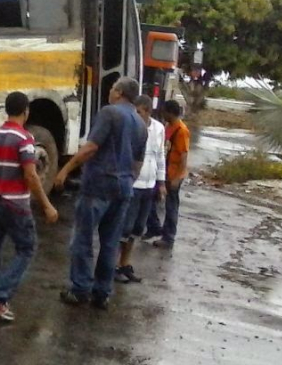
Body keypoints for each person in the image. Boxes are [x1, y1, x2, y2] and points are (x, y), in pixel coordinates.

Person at [53, 77, 147, 309]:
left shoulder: (109, 113)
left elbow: (92, 147)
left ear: (119, 93)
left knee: (83, 239)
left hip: (99, 184)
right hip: (124, 188)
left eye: (113, 87)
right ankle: (102, 293)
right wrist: (127, 180)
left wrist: (65, 169)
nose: (110, 91)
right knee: (110, 242)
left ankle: (80, 289)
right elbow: (138, 162)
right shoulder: (141, 123)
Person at [0, 92, 59, 321]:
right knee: (26, 248)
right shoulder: (25, 139)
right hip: (15, 203)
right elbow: (31, 175)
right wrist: (46, 205)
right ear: (26, 111)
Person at [115, 96, 167, 283]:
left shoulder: (159, 129)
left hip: (149, 185)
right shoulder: (129, 127)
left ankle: (125, 264)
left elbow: (160, 156)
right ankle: (114, 265)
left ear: (147, 112)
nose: (136, 115)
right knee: (124, 228)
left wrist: (161, 183)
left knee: (137, 228)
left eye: (139, 112)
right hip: (132, 184)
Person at [152, 100, 190, 248]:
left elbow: (184, 155)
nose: (162, 114)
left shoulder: (181, 130)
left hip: (174, 174)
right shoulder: (169, 127)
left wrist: (178, 177)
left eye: (164, 111)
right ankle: (156, 228)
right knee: (153, 201)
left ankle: (168, 238)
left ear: (169, 112)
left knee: (171, 206)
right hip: (166, 172)